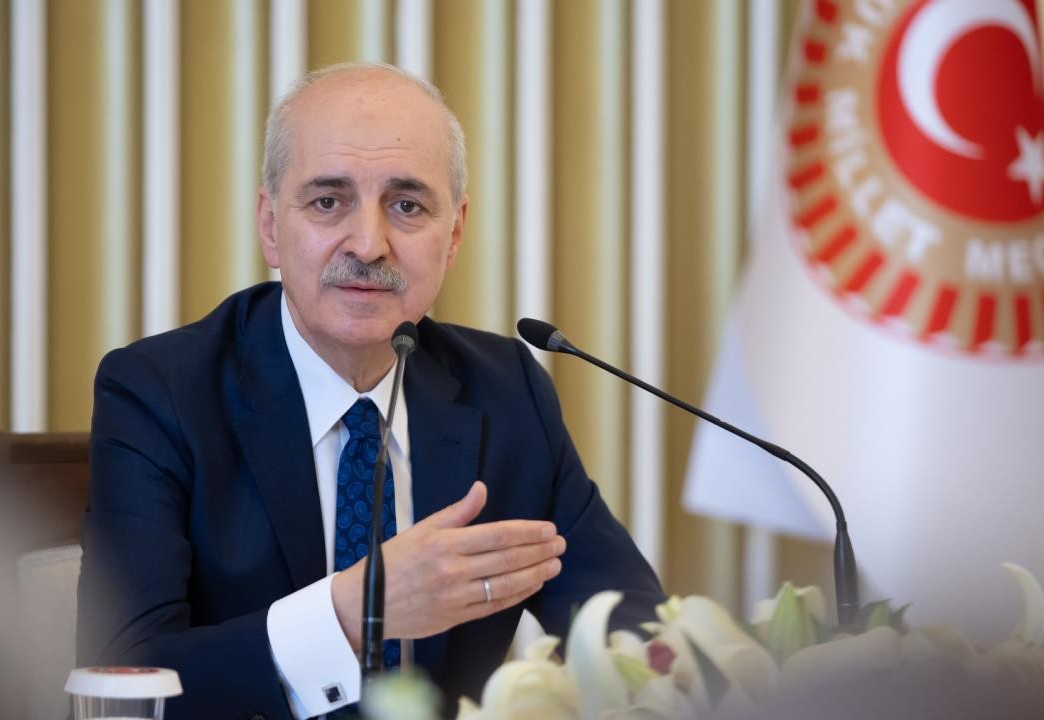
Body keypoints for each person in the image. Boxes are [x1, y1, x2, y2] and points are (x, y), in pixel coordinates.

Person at [76, 62, 665, 720]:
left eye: (406, 206)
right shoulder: (160, 393)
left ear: (454, 233)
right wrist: (352, 613)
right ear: (270, 226)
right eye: (328, 202)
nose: (367, 243)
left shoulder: (507, 393)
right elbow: (120, 681)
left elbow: (635, 637)